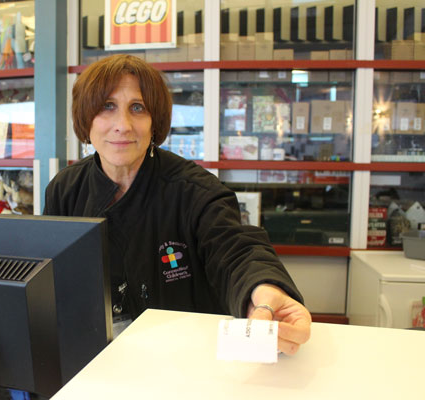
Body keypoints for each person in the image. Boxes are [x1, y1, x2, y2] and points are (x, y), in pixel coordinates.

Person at [44, 54, 311, 355]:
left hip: (187, 357)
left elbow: (235, 248)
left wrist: (262, 292)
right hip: (96, 359)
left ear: (155, 122)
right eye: (107, 106)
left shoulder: (195, 190)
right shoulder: (65, 191)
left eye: (138, 108)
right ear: (85, 118)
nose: (123, 125)